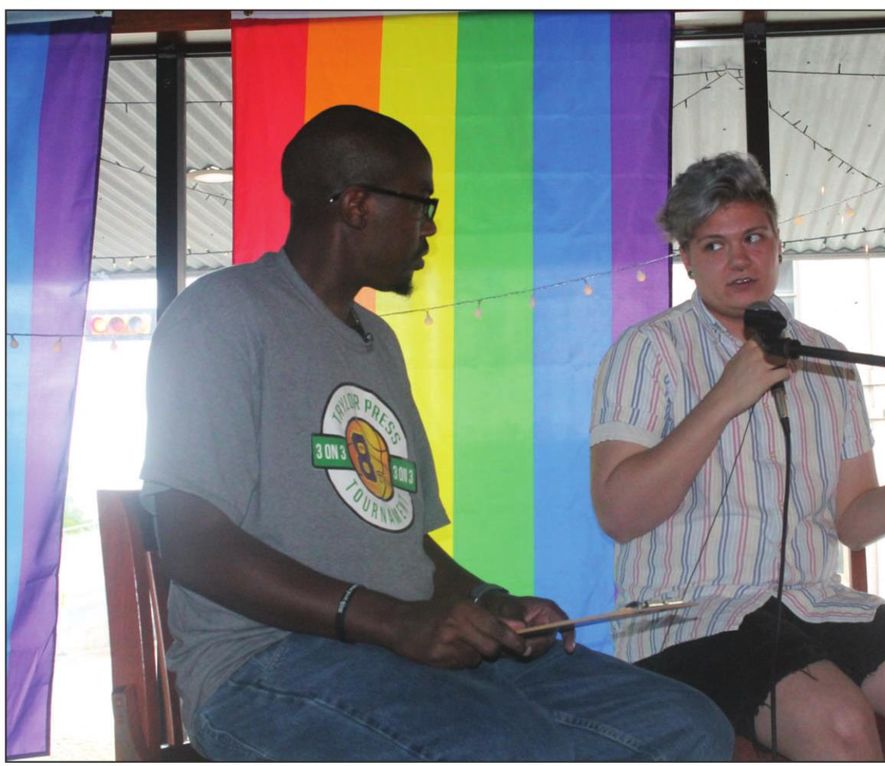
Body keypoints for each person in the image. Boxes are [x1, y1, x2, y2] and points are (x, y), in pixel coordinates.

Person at [140, 105, 734, 762]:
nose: (429, 227)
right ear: (359, 205)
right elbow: (191, 541)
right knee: (516, 748)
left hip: (391, 652)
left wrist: (488, 600)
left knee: (684, 722)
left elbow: (408, 547)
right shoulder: (221, 315)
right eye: (421, 205)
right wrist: (393, 622)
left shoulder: (378, 342)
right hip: (262, 669)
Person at [589, 152, 885, 761]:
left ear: (778, 244)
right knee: (838, 721)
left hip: (813, 601)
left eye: (754, 237)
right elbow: (620, 514)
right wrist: (723, 399)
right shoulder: (649, 351)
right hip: (692, 616)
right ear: (687, 261)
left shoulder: (828, 356)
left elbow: (854, 520)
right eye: (714, 246)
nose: (740, 259)